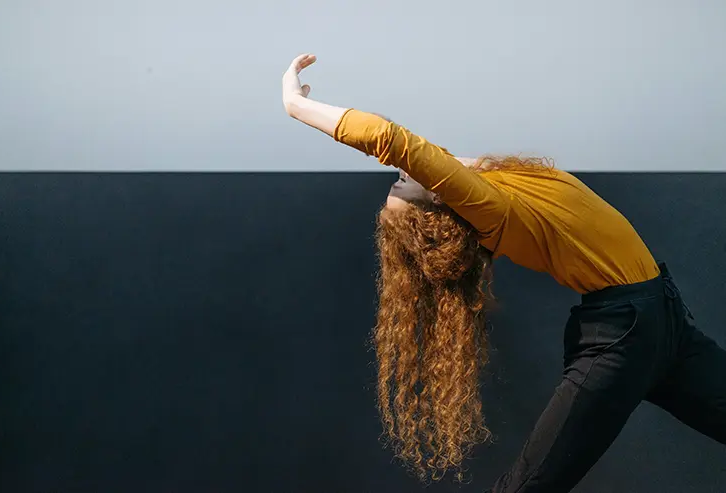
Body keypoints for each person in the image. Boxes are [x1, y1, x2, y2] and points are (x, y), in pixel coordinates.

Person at [281, 53, 726, 492]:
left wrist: (320, 105)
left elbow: (409, 148)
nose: (402, 175)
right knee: (529, 484)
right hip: (624, 334)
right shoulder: (489, 211)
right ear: (441, 203)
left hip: (664, 318)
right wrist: (296, 106)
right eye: (401, 185)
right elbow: (392, 140)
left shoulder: (491, 186)